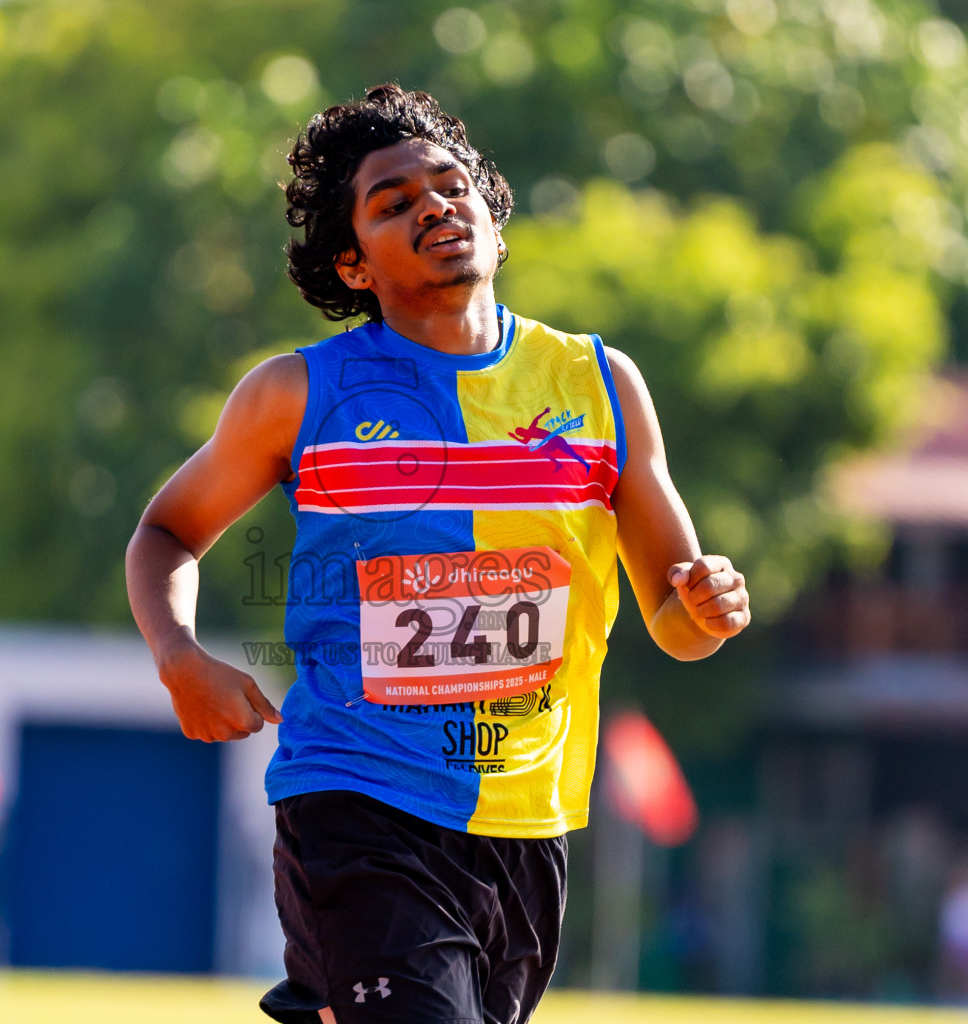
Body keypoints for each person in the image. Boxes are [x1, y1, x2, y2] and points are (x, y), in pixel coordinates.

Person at [126, 85, 751, 1024]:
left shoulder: (600, 384)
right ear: (353, 263)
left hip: (528, 822)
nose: (434, 207)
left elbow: (675, 622)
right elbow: (166, 532)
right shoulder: (296, 395)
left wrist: (706, 611)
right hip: (358, 797)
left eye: (451, 187)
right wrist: (179, 656)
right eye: (394, 204)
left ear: (492, 216)